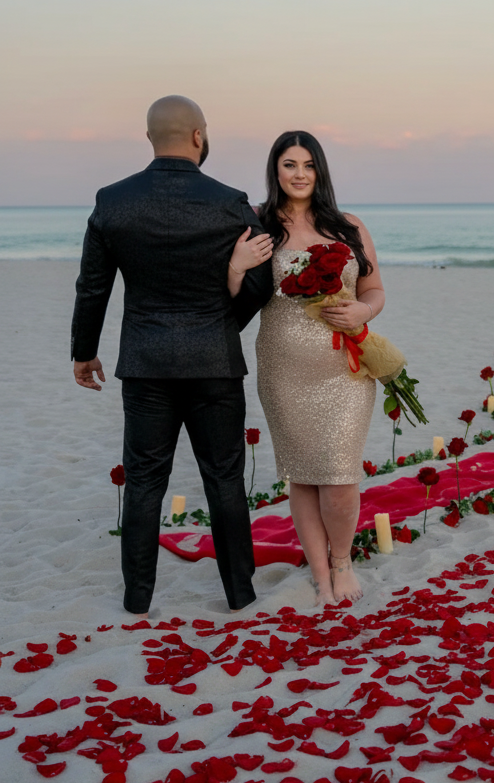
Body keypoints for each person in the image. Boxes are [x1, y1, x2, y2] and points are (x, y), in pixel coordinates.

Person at [71, 95, 275, 617]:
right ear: (199, 136)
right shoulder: (231, 201)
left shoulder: (112, 201)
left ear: (149, 138)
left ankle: (137, 599)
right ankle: (240, 593)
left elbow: (93, 286)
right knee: (224, 478)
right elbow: (259, 281)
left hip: (145, 364)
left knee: (143, 482)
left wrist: (83, 351)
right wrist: (224, 326)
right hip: (214, 363)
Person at [240, 130, 384, 606]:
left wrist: (363, 312)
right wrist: (236, 266)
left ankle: (342, 561)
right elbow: (230, 293)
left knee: (340, 475)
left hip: (344, 367)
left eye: (308, 165)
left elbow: (374, 290)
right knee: (302, 473)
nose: (299, 174)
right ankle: (320, 572)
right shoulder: (257, 224)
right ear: (275, 171)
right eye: (289, 165)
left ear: (319, 171)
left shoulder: (349, 226)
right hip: (283, 367)